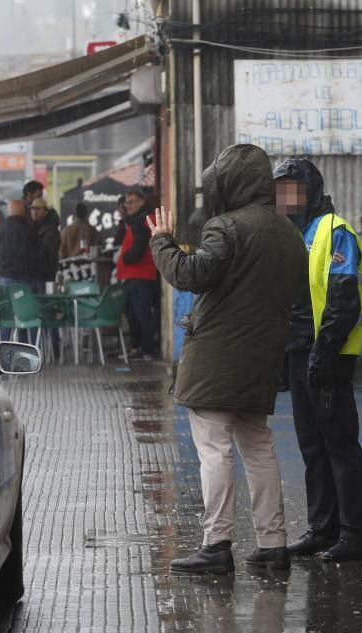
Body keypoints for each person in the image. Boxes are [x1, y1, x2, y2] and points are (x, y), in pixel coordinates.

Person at [149, 144, 307, 574]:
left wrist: (162, 242)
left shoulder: (226, 227)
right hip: (262, 360)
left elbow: (190, 275)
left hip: (216, 361)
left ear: (230, 184)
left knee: (214, 450)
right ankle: (273, 545)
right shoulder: (290, 233)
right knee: (259, 447)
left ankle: (216, 544)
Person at [273, 158, 362, 562]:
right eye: (278, 190)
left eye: (290, 188)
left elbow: (344, 299)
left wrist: (323, 352)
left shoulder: (336, 232)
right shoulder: (294, 234)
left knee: (339, 445)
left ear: (310, 188)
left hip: (328, 355)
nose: (283, 198)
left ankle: (355, 534)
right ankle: (322, 528)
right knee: (311, 446)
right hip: (299, 354)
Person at [0, 199, 38, 341]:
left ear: (10, 211)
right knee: (24, 314)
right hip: (25, 281)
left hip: (5, 280)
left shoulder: (1, 228)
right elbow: (38, 254)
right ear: (22, 211)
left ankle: (6, 345)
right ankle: (23, 346)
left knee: (6, 316)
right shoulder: (30, 230)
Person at [116, 190, 158, 359]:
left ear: (142, 202)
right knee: (137, 314)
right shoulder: (142, 221)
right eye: (127, 202)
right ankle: (138, 348)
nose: (129, 206)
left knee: (140, 314)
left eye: (132, 202)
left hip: (139, 275)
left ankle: (145, 349)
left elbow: (139, 249)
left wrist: (125, 257)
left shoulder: (141, 223)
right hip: (140, 275)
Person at [30, 197, 59, 293]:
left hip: (45, 275)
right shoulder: (33, 226)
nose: (34, 211)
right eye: (32, 208)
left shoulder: (51, 230)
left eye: (38, 209)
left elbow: (48, 254)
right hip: (35, 275)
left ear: (45, 211)